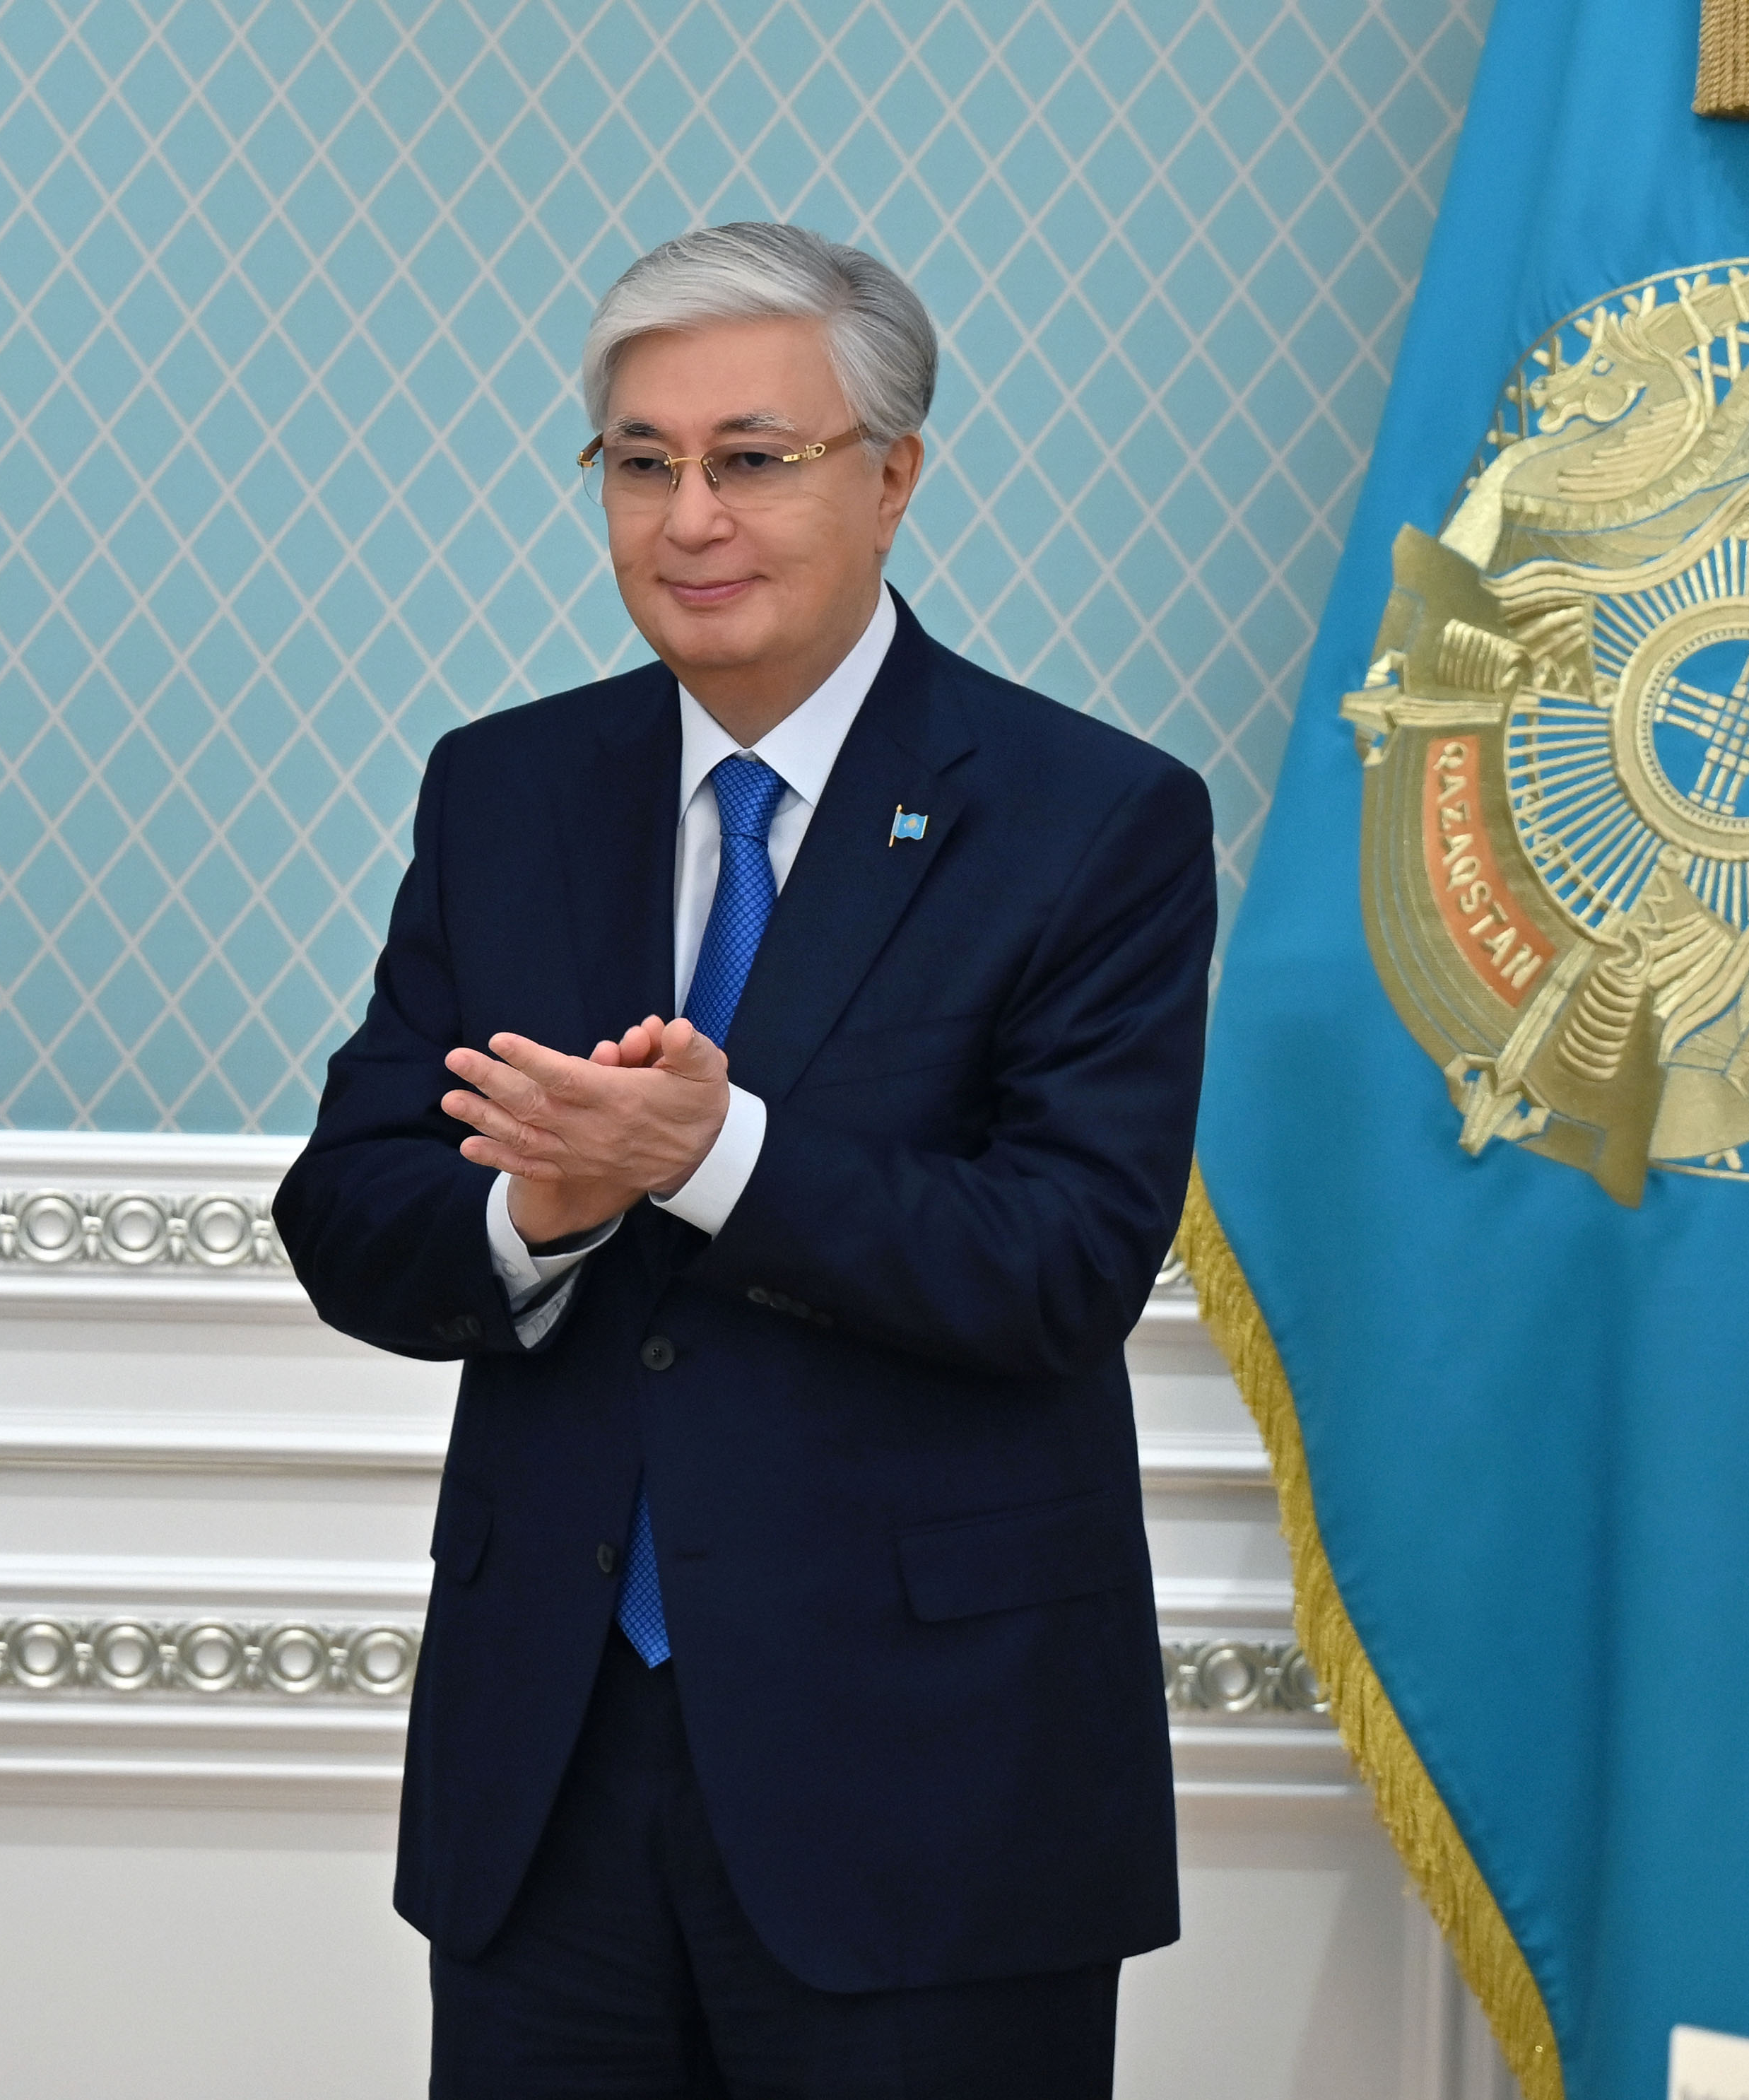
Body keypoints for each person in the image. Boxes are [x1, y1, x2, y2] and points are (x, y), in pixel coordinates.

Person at [273, 225, 1211, 2096]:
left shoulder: (1090, 816)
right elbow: (352, 1207)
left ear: (891, 477)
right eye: (640, 462)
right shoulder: (505, 788)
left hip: (930, 1789)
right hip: (549, 1774)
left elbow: (1059, 1264)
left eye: (751, 459)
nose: (688, 516)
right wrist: (534, 1212)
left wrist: (714, 1155)